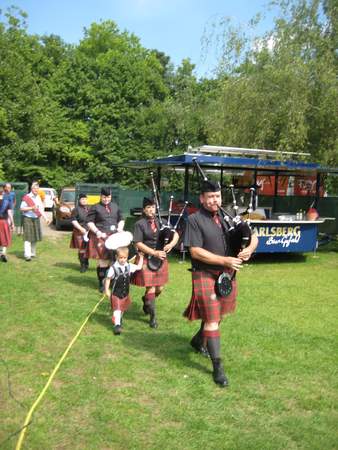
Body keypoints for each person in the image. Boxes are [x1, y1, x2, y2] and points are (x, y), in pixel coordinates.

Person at [183, 179, 258, 387]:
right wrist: (224, 260)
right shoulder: (194, 220)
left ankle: (199, 340)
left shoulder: (228, 217)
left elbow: (253, 236)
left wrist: (249, 249)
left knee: (218, 316)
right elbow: (195, 251)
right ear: (202, 198)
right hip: (204, 273)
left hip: (226, 275)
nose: (214, 200)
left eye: (217, 196)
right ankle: (218, 367)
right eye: (210, 197)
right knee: (213, 319)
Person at [133, 197, 179, 328]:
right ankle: (153, 318)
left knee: (160, 288)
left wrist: (171, 244)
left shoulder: (162, 222)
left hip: (160, 259)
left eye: (152, 207)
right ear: (144, 210)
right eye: (148, 208)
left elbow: (175, 234)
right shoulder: (139, 224)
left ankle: (147, 300)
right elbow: (138, 243)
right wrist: (153, 253)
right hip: (147, 258)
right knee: (151, 287)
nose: (150, 210)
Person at [86, 187, 124, 292]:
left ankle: (111, 281)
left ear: (111, 196)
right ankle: (102, 283)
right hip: (101, 236)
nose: (106, 199)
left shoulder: (115, 206)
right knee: (103, 261)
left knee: (113, 260)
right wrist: (97, 232)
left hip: (114, 236)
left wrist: (120, 228)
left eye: (108, 197)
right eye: (104, 197)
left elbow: (121, 219)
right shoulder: (95, 207)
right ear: (100, 196)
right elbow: (89, 221)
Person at [104, 246, 143, 335]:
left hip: (125, 293)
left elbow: (139, 267)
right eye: (121, 258)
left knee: (122, 309)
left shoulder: (129, 266)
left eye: (125, 258)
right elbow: (108, 279)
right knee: (117, 309)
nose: (123, 260)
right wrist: (106, 290)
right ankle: (117, 326)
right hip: (116, 293)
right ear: (116, 257)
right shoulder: (113, 268)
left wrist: (141, 257)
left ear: (127, 257)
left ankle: (117, 319)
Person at [20, 181, 50, 261]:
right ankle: (27, 255)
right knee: (28, 237)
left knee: (35, 237)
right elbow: (21, 208)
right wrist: (31, 208)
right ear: (31, 189)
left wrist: (46, 218)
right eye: (35, 188)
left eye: (37, 188)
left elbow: (40, 209)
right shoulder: (27, 197)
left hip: (36, 218)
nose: (36, 190)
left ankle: (32, 253)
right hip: (27, 218)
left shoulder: (38, 197)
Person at [70, 193, 90, 272]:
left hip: (89, 231)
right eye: (82, 199)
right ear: (79, 200)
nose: (84, 201)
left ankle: (86, 263)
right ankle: (83, 265)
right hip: (79, 231)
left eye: (85, 199)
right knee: (82, 248)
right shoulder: (76, 209)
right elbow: (73, 220)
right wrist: (81, 228)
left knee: (87, 248)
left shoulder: (89, 208)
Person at [0, 184, 15, 262]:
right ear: (4, 188)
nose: (9, 189)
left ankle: (2, 253)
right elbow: (9, 211)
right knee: (5, 237)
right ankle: (3, 253)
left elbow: (10, 211)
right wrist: (12, 223)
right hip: (3, 220)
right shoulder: (8, 198)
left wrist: (12, 222)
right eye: (7, 187)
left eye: (10, 187)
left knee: (3, 237)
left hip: (4, 220)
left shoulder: (10, 197)